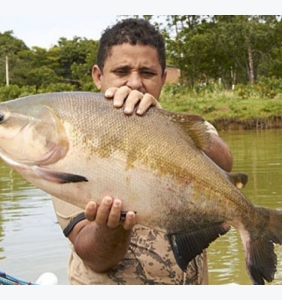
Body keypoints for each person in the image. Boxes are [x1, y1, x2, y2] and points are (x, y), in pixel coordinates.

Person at [51, 18, 233, 285]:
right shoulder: (72, 145)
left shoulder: (184, 125)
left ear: (163, 78)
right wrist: (111, 226)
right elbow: (96, 257)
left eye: (147, 73)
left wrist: (161, 120)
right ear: (98, 76)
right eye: (122, 71)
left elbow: (225, 163)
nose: (135, 83)